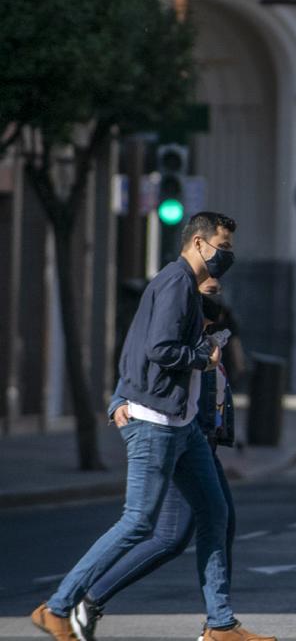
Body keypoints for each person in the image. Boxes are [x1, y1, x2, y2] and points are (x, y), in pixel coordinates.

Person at [29, 211, 273, 641]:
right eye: (223, 246)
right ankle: (59, 606)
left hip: (182, 426)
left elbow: (136, 344)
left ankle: (220, 625)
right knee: (139, 523)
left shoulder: (179, 285)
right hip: (155, 423)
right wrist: (202, 358)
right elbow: (159, 347)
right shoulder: (176, 283)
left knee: (215, 514)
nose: (227, 256)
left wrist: (123, 391)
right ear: (198, 243)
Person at [70, 278, 242, 641]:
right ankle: (88, 599)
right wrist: (119, 399)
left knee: (219, 521)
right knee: (167, 537)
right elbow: (143, 365)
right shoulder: (179, 327)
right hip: (180, 441)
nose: (217, 285)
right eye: (210, 285)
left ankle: (219, 622)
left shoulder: (212, 336)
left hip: (201, 444)